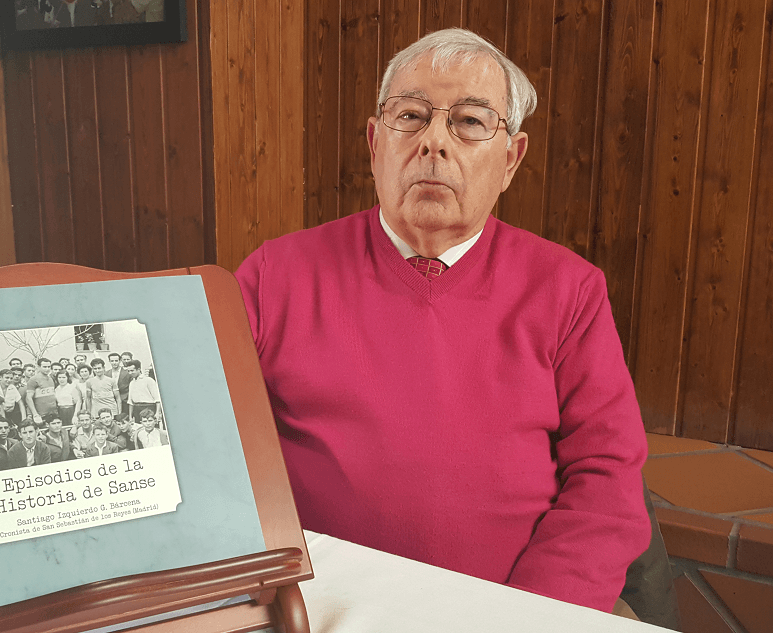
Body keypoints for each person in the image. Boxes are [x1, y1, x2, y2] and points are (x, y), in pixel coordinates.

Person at [234, 28, 650, 614]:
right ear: (376, 143)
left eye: (471, 122)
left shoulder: (568, 290)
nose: (434, 142)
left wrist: (530, 617)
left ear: (510, 160)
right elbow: (209, 444)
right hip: (314, 605)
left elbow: (606, 476)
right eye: (411, 116)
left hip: (510, 611)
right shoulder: (273, 274)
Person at [25, 358, 57, 427]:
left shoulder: (51, 379)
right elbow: (28, 398)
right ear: (38, 367)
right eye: (44, 367)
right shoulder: (33, 380)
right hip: (41, 415)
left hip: (52, 414)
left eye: (49, 367)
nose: (47, 369)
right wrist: (35, 414)